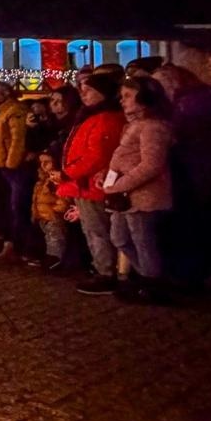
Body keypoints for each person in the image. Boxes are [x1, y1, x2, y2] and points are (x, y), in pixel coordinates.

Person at [103, 78, 175, 301]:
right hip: (125, 195)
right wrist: (108, 177)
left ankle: (152, 283)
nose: (122, 101)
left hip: (143, 197)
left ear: (143, 99)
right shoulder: (135, 125)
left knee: (143, 242)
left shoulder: (153, 127)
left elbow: (152, 164)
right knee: (120, 238)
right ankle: (146, 277)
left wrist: (119, 185)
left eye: (127, 96)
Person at [54, 71, 125, 296]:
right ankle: (102, 267)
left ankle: (106, 272)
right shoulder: (91, 116)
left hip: (92, 183)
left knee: (97, 230)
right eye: (82, 90)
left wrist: (68, 172)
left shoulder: (105, 119)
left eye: (89, 91)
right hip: (85, 183)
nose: (83, 95)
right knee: (93, 229)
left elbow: (97, 155)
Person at [0, 84, 31, 260]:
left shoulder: (15, 111)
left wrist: (11, 163)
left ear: (5, 94)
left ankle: (17, 246)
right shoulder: (3, 112)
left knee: (16, 207)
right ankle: (7, 244)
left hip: (12, 167)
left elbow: (17, 139)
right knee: (6, 207)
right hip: (2, 164)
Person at [29, 150, 72, 271]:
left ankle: (55, 259)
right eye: (41, 162)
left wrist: (54, 212)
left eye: (47, 162)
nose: (43, 165)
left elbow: (64, 198)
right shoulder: (42, 178)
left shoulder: (57, 179)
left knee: (55, 235)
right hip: (41, 216)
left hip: (53, 216)